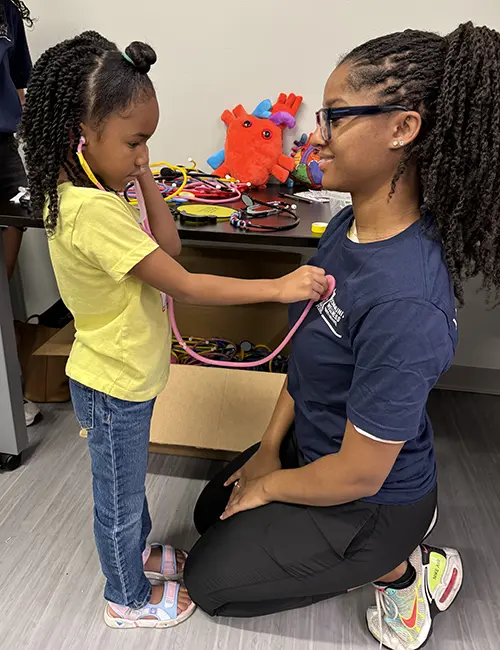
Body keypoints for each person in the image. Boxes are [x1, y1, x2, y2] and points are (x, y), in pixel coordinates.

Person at [183, 22, 500, 650]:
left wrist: (269, 486)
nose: (315, 137)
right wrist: (270, 449)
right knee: (206, 514)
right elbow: (308, 361)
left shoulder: (406, 300)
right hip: (318, 450)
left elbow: (357, 474)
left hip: (370, 496)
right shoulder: (346, 227)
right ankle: (383, 550)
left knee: (210, 582)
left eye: (333, 118)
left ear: (402, 128)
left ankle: (405, 570)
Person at [18, 31, 328, 630]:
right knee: (118, 498)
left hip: (128, 374)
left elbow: (171, 243)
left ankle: (136, 556)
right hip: (113, 384)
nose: (142, 154)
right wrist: (278, 287)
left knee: (127, 487)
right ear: (79, 137)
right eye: (135, 142)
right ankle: (125, 598)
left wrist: (144, 176)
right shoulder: (92, 212)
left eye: (148, 143)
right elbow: (185, 281)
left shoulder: (102, 193)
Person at [0, 0, 39, 426]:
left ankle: (6, 396)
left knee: (18, 227)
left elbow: (20, 85)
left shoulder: (8, 12)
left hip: (5, 147)